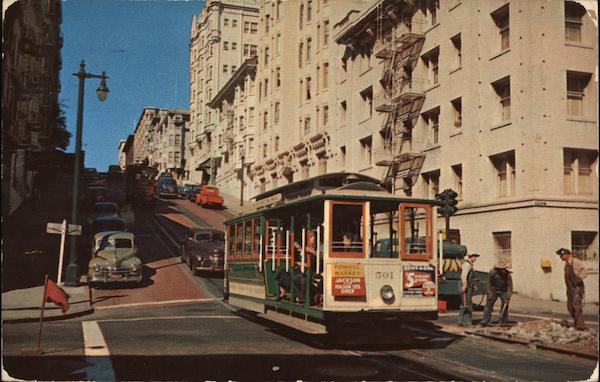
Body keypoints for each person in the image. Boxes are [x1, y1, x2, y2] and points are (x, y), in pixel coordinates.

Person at [557, 248, 587, 330]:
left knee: (576, 306)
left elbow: (584, 271)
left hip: (577, 288)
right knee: (570, 306)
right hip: (570, 289)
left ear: (567, 254)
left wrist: (579, 277)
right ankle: (576, 322)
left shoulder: (575, 261)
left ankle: (580, 326)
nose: (560, 257)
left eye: (562, 255)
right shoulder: (567, 264)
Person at [458, 252, 480, 326]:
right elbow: (463, 276)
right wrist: (464, 285)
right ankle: (466, 322)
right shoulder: (467, 265)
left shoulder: (469, 264)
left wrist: (473, 285)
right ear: (471, 257)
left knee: (464, 303)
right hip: (465, 286)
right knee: (467, 304)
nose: (475, 258)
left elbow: (470, 277)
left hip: (468, 285)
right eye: (474, 256)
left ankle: (461, 321)